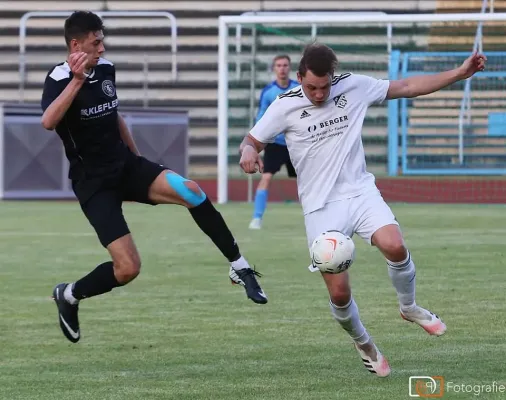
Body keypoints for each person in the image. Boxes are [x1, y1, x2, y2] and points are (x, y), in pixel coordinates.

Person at [239, 42, 486, 377]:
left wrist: (460, 73)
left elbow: (407, 87)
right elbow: (252, 140)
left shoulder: (353, 87)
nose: (318, 94)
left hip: (360, 192)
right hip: (320, 207)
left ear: (333, 78)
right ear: (299, 78)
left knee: (395, 245)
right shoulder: (284, 106)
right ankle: (364, 342)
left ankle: (409, 307)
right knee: (340, 293)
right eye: (311, 87)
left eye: (325, 86)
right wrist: (249, 153)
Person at [41, 11, 267, 344]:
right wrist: (77, 81)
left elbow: (113, 115)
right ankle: (70, 295)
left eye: (102, 41)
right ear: (75, 45)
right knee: (128, 268)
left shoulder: (105, 69)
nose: (102, 48)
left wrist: (137, 157)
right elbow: (48, 121)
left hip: (126, 166)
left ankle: (240, 266)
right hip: (93, 183)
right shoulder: (59, 78)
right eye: (95, 42)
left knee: (191, 190)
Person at [248, 55, 299, 230]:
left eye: (285, 65)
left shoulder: (298, 88)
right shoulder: (268, 92)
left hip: (296, 143)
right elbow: (261, 116)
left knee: (309, 179)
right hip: (276, 144)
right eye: (279, 65)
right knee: (266, 177)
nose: (282, 68)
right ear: (274, 68)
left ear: (290, 68)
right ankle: (256, 218)